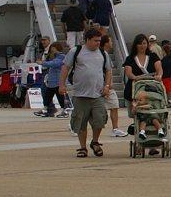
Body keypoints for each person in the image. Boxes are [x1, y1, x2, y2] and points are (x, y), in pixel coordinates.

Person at [60, 28, 112, 158]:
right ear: (87, 40)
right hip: (80, 94)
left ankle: (95, 141)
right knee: (80, 122)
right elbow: (66, 67)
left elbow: (108, 71)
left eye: (99, 41)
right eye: (95, 41)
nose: (98, 43)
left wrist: (107, 86)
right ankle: (82, 147)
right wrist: (62, 84)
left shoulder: (102, 53)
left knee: (100, 120)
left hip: (98, 94)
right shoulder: (76, 51)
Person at [122, 33, 163, 129]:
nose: (142, 46)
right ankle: (139, 128)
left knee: (152, 109)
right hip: (134, 88)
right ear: (135, 45)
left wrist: (159, 75)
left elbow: (159, 68)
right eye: (140, 43)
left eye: (144, 43)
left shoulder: (153, 56)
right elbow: (128, 72)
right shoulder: (130, 58)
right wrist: (135, 77)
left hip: (151, 88)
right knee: (136, 113)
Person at [39, 40, 68, 118]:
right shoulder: (54, 56)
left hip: (58, 81)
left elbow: (55, 63)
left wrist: (43, 63)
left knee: (60, 97)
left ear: (57, 48)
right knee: (47, 97)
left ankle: (64, 110)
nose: (52, 49)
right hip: (52, 82)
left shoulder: (62, 56)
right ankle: (45, 109)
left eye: (53, 48)